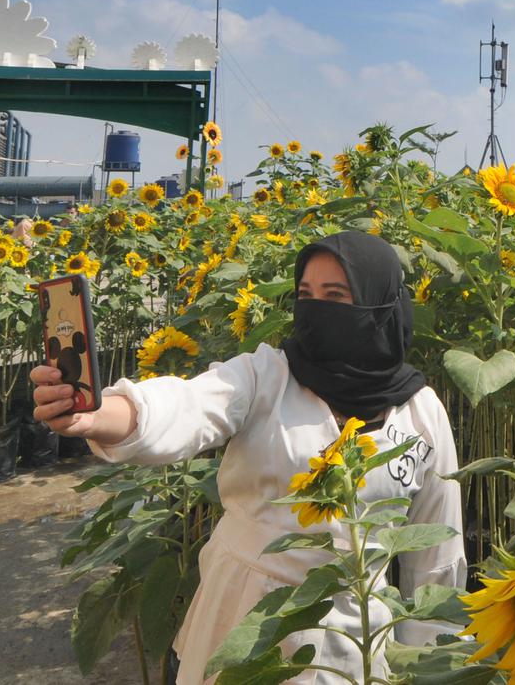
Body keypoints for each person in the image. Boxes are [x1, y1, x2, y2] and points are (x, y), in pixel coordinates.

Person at [31, 231, 466, 684]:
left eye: (335, 296)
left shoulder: (421, 412)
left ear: (379, 307)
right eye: (305, 295)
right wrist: (99, 415)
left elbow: (436, 557)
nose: (316, 310)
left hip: (355, 637)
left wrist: (430, 662)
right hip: (245, 619)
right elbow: (188, 406)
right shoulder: (267, 377)